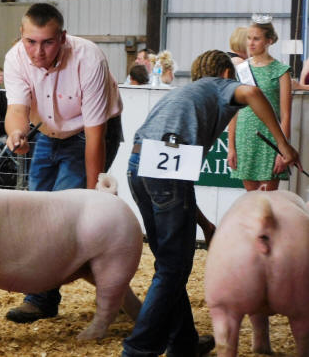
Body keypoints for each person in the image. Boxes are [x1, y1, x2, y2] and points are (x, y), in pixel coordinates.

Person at [122, 49, 300, 357]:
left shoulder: (185, 93)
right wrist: (283, 145)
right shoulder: (219, 85)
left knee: (169, 263)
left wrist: (204, 223)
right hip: (166, 168)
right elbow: (253, 93)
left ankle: (183, 344)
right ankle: (138, 350)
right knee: (173, 268)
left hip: (139, 165)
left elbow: (176, 176)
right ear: (227, 74)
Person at [3, 3, 123, 323]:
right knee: (37, 212)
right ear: (21, 35)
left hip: (91, 132)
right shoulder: (15, 58)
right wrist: (16, 133)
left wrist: (93, 197)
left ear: (63, 38)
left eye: (47, 42)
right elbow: (16, 109)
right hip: (46, 131)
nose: (38, 52)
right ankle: (45, 297)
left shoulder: (89, 58)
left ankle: (47, 297)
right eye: (31, 42)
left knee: (60, 216)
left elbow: (95, 136)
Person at [228, 17, 292, 191]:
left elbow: (286, 115)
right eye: (249, 38)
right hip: (245, 136)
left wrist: (282, 149)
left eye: (256, 39)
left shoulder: (281, 71)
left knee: (268, 198)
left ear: (269, 41)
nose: (250, 43)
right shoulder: (241, 69)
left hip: (271, 138)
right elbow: (234, 110)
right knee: (251, 198)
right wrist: (231, 146)